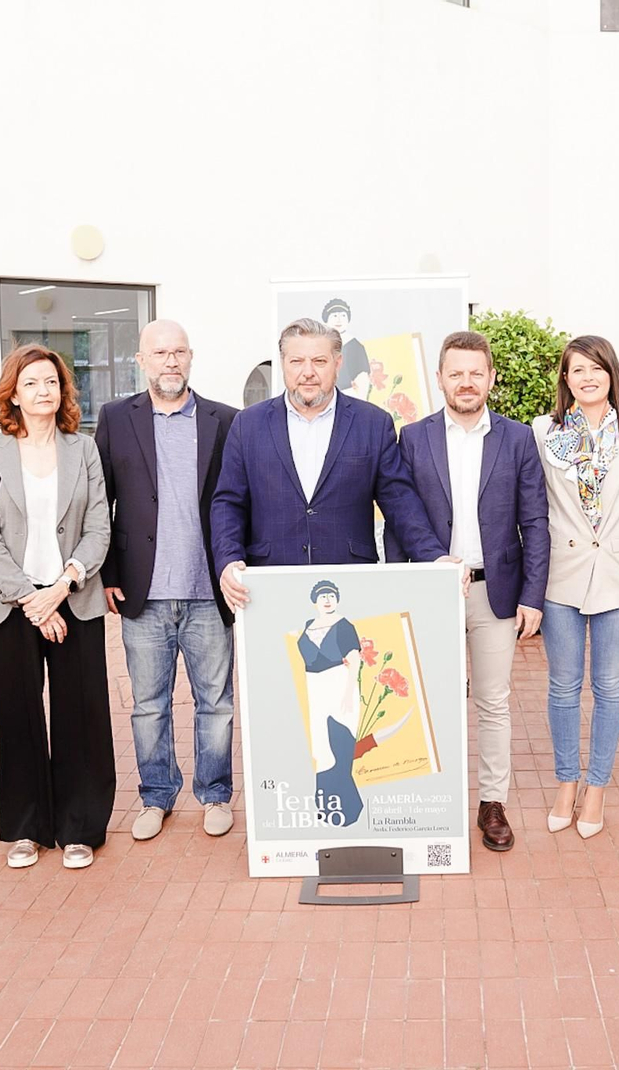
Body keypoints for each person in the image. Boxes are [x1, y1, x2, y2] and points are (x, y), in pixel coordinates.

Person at [385, 330, 550, 851]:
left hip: (495, 591)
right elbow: (397, 519)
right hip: (432, 591)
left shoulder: (517, 438)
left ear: (491, 378)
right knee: (432, 698)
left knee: (494, 701)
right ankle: (437, 798)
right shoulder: (412, 438)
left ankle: (492, 803)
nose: (466, 382)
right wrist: (404, 584)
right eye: (456, 373)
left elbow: (535, 521)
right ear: (439, 379)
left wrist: (532, 596)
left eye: (476, 372)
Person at [0, 344, 114, 871]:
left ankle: (80, 827)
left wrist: (63, 586)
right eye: (30, 383)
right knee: (19, 716)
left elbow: (100, 525)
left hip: (74, 599)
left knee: (81, 715)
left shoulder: (85, 449)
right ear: (12, 393)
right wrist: (32, 598)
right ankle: (27, 828)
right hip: (10, 607)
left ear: (63, 390)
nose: (42, 391)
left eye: (51, 381)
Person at [96, 320, 239, 843]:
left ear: (192, 357)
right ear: (141, 360)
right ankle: (156, 795)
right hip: (143, 592)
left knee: (216, 703)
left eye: (179, 352)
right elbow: (100, 505)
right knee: (149, 704)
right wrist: (109, 574)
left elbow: (240, 504)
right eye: (160, 353)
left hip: (209, 593)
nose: (170, 361)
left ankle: (216, 793)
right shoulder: (115, 418)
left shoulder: (227, 420)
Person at [211, 317, 454, 612]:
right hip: (268, 586)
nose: (308, 372)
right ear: (283, 363)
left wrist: (435, 557)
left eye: (319, 361)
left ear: (338, 364)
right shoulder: (248, 424)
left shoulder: (373, 424)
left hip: (349, 586)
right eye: (297, 361)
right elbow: (228, 502)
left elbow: (400, 502)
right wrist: (228, 560)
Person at [533, 335, 619, 840]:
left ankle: (597, 787)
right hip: (560, 576)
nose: (587, 377)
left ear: (612, 375)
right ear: (565, 379)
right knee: (563, 688)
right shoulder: (544, 431)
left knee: (609, 687)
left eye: (596, 368)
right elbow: (533, 506)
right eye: (576, 369)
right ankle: (566, 782)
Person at [296, 580, 367, 826]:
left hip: (339, 683)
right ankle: (326, 807)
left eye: (331, 595)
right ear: (314, 600)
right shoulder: (308, 626)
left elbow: (355, 660)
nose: (327, 600)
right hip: (314, 687)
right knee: (321, 749)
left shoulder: (345, 626)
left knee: (339, 742)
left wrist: (348, 693)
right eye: (322, 595)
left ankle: (348, 808)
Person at [323, 298, 371, 398]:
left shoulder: (354, 346)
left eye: (343, 315)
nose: (339, 320)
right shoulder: (320, 344)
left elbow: (362, 380)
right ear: (326, 319)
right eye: (335, 316)